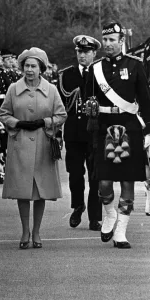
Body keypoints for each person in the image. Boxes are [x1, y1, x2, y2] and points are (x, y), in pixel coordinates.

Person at [85, 21, 150, 249]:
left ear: (122, 41)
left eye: (113, 40)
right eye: (106, 40)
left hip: (129, 127)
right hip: (103, 128)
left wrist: (148, 130)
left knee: (127, 181)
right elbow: (88, 99)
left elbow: (145, 100)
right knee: (103, 183)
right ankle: (110, 214)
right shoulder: (96, 68)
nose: (108, 44)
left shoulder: (135, 65)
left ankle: (121, 231)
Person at [0, 47, 67, 249]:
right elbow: (3, 114)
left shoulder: (51, 90)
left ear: (41, 69)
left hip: (43, 145)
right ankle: (24, 231)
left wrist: (45, 122)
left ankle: (36, 231)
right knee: (22, 191)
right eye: (26, 66)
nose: (29, 70)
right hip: (19, 144)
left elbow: (61, 115)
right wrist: (18, 124)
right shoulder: (13, 88)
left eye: (33, 66)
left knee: (40, 192)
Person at [57, 35, 102, 231]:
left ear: (94, 53)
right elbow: (58, 106)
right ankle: (77, 206)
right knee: (75, 174)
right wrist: (57, 132)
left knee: (95, 176)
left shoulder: (101, 73)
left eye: (86, 52)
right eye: (79, 52)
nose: (82, 55)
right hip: (74, 133)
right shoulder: (66, 75)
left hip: (94, 132)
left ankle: (95, 216)